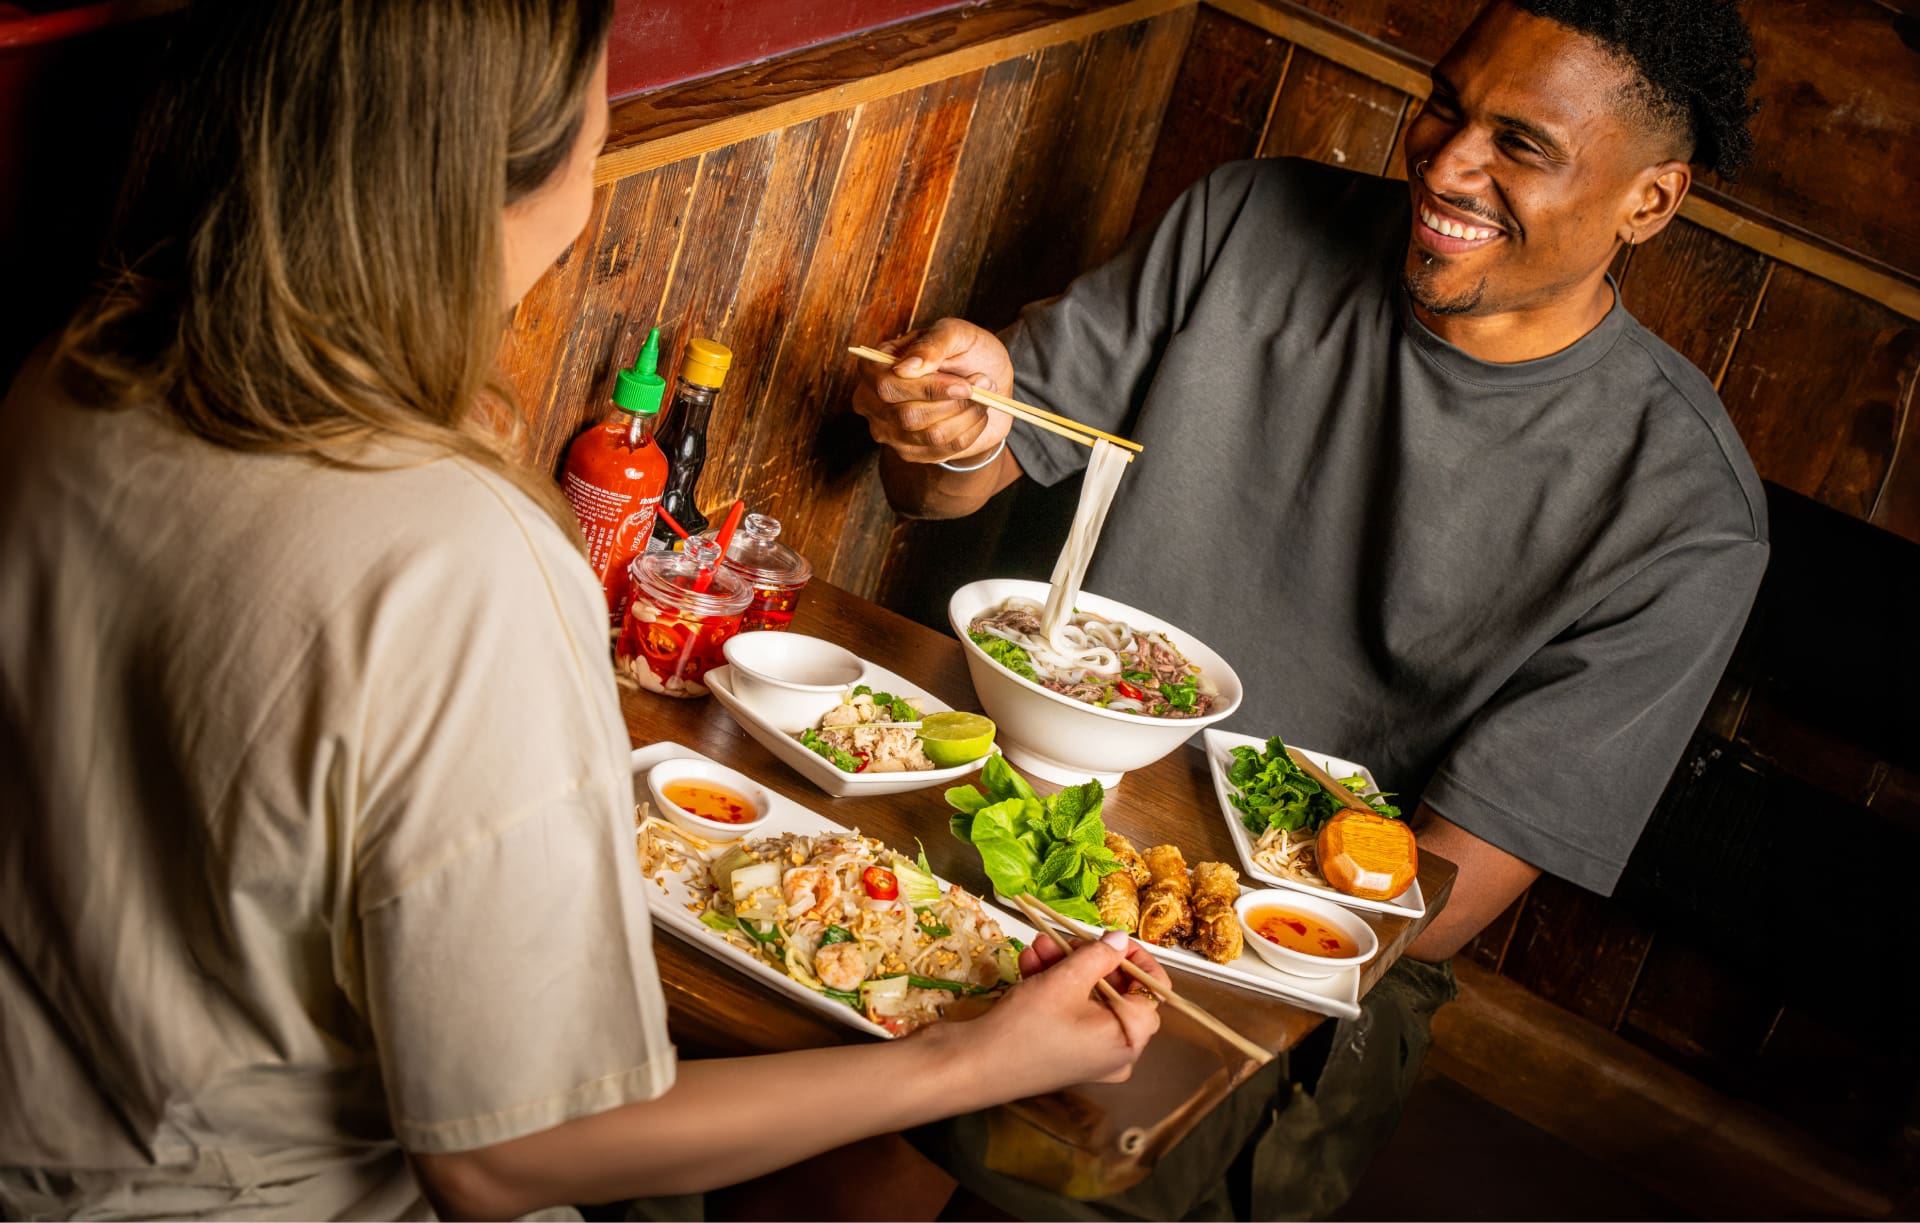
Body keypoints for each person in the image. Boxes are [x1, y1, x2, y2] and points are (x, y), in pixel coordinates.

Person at [0, 2, 1168, 1219]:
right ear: (505, 171)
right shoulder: (455, 557)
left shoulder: (76, 371)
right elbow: (509, 1153)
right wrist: (975, 1057)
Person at [856, 0, 1766, 1214]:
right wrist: (944, 423)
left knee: (1038, 1173)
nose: (1443, 163)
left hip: (1281, 949)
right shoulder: (1250, 221)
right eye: (1446, 103)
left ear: (1650, 200)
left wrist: (1125, 899)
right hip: (1008, 797)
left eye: (1520, 145)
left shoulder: (1684, 511)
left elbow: (1430, 908)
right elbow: (947, 483)